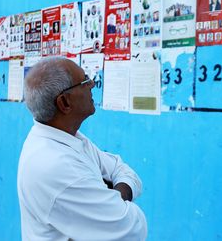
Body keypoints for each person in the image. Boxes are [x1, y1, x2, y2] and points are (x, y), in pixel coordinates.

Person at [17, 57, 147, 241]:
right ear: (65, 103)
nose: (93, 84)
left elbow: (122, 169)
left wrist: (112, 197)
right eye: (85, 81)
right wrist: (112, 195)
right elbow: (133, 228)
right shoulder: (56, 165)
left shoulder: (68, 138)